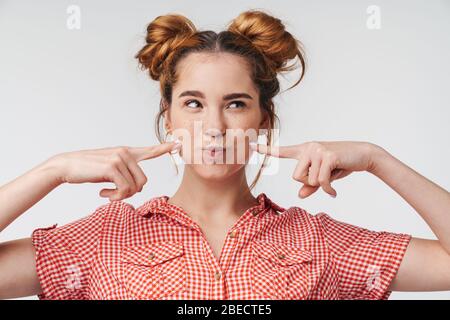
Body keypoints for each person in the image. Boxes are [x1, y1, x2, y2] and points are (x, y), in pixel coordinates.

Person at [0, 10, 449, 300]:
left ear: (263, 120)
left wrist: (376, 159)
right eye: (193, 104)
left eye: (236, 104)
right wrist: (52, 170)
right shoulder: (102, 240)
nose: (214, 127)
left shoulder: (318, 242)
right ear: (169, 117)